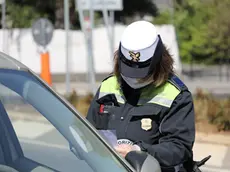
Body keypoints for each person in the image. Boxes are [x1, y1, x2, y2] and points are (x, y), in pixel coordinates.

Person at [86, 20, 196, 172]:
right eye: (129, 69)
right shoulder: (108, 86)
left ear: (158, 62)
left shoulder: (176, 95)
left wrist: (139, 152)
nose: (134, 78)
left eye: (141, 72)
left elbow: (179, 147)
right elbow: (87, 131)